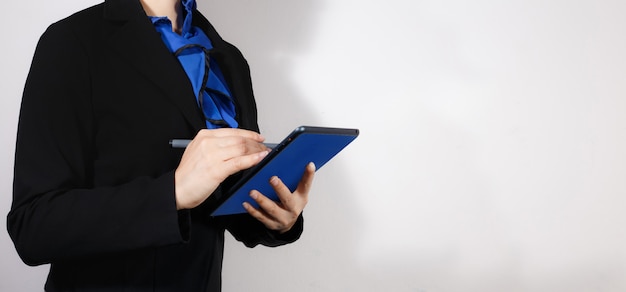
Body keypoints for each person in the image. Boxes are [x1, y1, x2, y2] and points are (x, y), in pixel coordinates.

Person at [7, 0, 315, 290]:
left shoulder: (229, 60)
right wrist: (173, 193)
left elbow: (224, 204)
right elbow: (33, 226)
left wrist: (279, 218)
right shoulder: (71, 42)